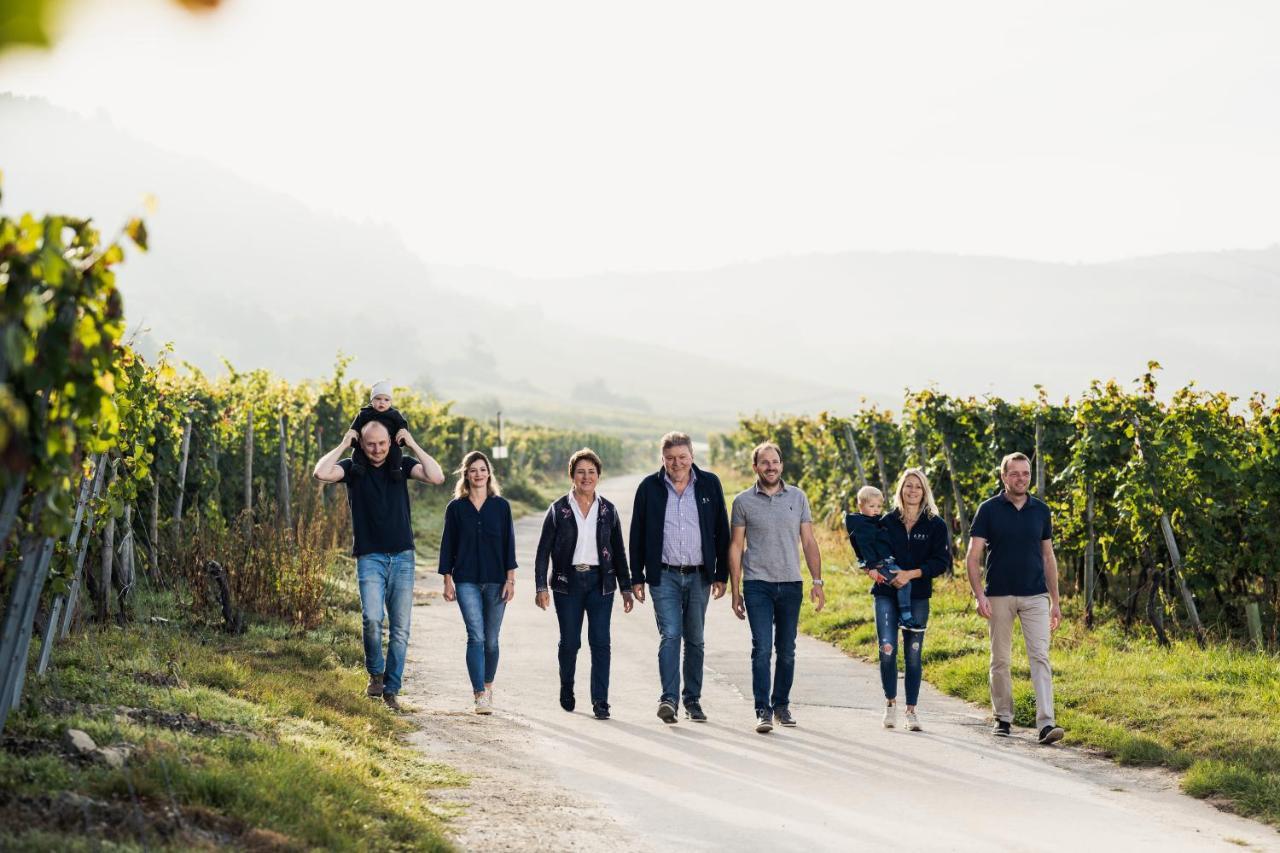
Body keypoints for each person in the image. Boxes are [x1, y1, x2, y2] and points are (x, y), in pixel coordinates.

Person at [312, 420, 445, 712]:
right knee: (372, 618)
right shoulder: (352, 468)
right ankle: (375, 674)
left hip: (403, 557)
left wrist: (412, 443)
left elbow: (437, 477)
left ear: (391, 442)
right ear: (361, 442)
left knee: (400, 628)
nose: (377, 449)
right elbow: (321, 472)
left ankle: (391, 690)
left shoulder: (401, 464)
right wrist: (344, 443)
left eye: (383, 443)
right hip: (369, 556)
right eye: (370, 443)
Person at [629, 431, 730, 724]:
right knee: (671, 634)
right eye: (671, 458)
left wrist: (720, 573)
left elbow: (721, 531)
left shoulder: (710, 483)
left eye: (682, 457)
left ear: (692, 456)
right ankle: (669, 699)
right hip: (664, 575)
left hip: (700, 575)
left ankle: (693, 700)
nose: (677, 463)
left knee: (695, 640)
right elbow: (637, 534)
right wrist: (637, 576)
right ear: (663, 459)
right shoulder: (649, 487)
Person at [965, 451, 1065, 745]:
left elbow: (1048, 557)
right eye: (1014, 473)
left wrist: (1055, 601)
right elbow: (973, 557)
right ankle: (1003, 718)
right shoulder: (988, 509)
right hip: (999, 595)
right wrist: (979, 594)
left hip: (1036, 595)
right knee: (1001, 660)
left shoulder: (1041, 510)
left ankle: (1046, 724)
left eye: (1025, 473)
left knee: (1040, 658)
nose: (1021, 479)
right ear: (1003, 476)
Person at [727, 442, 825, 734]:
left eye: (775, 462)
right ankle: (763, 710)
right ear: (755, 467)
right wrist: (736, 590)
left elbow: (808, 541)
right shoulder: (743, 501)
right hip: (757, 584)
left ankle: (781, 705)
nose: (771, 467)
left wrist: (817, 581)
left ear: (782, 465)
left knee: (787, 650)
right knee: (761, 649)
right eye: (765, 462)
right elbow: (736, 546)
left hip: (791, 583)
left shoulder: (797, 497)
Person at [534, 448, 635, 720]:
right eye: (581, 472)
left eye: (591, 472)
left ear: (598, 476)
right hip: (567, 583)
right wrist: (541, 587)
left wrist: (626, 587)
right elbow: (543, 551)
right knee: (570, 642)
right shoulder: (558, 510)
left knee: (601, 642)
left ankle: (600, 701)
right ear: (572, 475)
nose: (586, 477)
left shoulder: (608, 511)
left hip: (600, 583)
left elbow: (619, 551)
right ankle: (567, 686)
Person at [857, 468, 950, 732]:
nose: (912, 491)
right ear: (900, 490)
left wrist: (910, 574)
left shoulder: (935, 524)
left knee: (913, 655)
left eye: (917, 487)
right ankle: (890, 704)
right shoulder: (885, 521)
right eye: (908, 486)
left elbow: (941, 562)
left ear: (924, 491)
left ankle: (911, 711)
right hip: (886, 593)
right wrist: (874, 570)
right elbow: (867, 549)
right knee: (887, 650)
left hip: (918, 595)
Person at [439, 451, 518, 715]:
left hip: (497, 581)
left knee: (492, 640)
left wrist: (511, 580)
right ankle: (479, 695)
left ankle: (488, 684)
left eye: (482, 469)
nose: (478, 474)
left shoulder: (501, 506)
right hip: (466, 580)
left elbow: (509, 545)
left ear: (489, 473)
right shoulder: (456, 508)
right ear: (466, 474)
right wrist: (447, 581)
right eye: (473, 470)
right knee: (476, 636)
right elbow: (447, 545)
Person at [845, 485, 921, 631]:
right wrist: (871, 567)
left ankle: (901, 614)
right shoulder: (863, 525)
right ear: (860, 506)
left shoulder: (873, 522)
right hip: (880, 564)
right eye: (871, 506)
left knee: (900, 583)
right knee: (904, 583)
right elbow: (865, 547)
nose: (876, 509)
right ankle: (905, 617)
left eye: (879, 506)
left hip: (885, 561)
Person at [349, 380, 410, 480]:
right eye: (378, 399)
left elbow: (402, 425)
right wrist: (353, 435)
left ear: (390, 402)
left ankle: (395, 470)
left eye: (386, 400)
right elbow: (355, 426)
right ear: (371, 400)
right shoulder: (364, 413)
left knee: (396, 453)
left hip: (389, 443)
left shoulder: (394, 414)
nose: (382, 402)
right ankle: (358, 467)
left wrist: (402, 433)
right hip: (368, 442)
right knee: (358, 452)